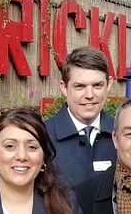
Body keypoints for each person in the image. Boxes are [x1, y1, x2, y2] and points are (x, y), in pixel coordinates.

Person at [46, 47, 116, 187]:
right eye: (80, 86)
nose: (89, 95)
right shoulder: (42, 136)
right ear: (64, 88)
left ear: (108, 84)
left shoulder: (123, 134)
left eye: (97, 85)